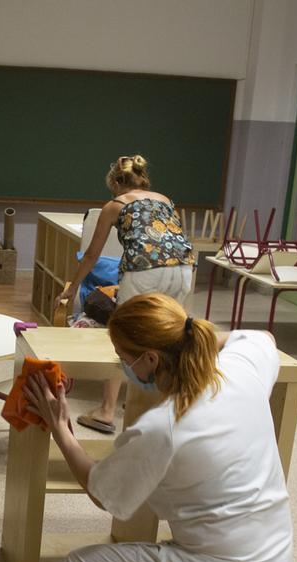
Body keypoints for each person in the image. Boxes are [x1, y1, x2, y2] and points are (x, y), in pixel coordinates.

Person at [22, 293, 297, 562]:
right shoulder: (239, 372)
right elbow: (263, 338)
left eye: (124, 359)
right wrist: (192, 334)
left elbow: (100, 490)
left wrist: (61, 429)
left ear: (151, 360)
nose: (122, 366)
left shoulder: (165, 428)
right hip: (270, 561)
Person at [57, 154, 194, 434]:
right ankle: (163, 410)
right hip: (184, 270)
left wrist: (71, 289)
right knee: (168, 336)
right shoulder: (166, 200)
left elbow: (92, 254)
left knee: (126, 336)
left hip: (144, 271)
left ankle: (106, 412)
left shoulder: (115, 205)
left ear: (117, 184)